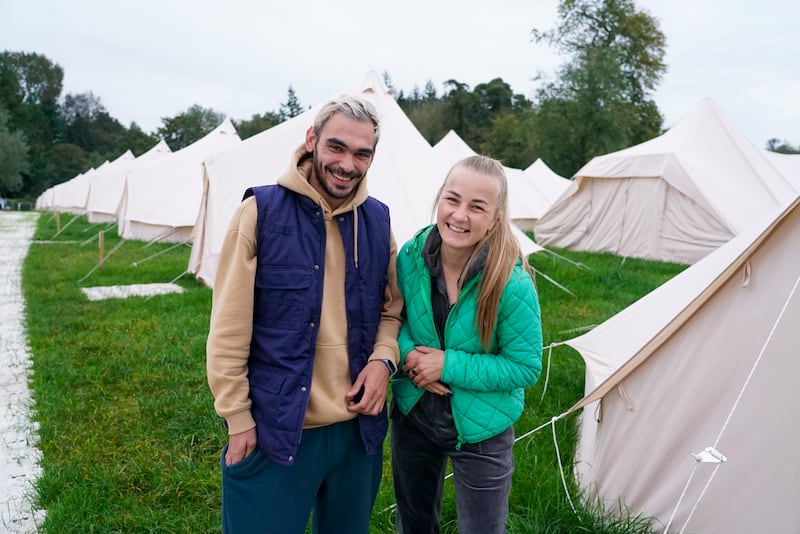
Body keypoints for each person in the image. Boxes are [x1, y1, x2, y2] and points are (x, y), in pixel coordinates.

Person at [206, 95, 403, 534]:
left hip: (358, 437)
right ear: (312, 140)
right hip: (275, 431)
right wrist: (238, 420)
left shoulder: (378, 221)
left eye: (361, 153)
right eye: (336, 147)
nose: (347, 164)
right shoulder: (260, 212)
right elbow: (227, 331)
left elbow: (393, 311)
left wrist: (382, 360)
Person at [390, 155, 543, 534]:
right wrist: (410, 355)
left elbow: (525, 367)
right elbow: (396, 318)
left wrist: (447, 365)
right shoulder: (412, 256)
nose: (460, 215)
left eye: (477, 207)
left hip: (482, 428)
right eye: (452, 199)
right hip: (414, 413)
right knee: (415, 524)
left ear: (495, 218)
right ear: (439, 199)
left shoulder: (511, 283)